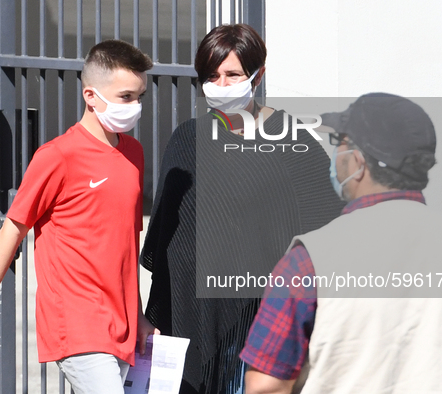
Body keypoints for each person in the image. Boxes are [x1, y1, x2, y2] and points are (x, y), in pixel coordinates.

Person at [241, 93, 442, 393]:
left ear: (358, 163)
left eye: (340, 143)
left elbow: (265, 386)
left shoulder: (309, 260)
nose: (336, 154)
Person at [140, 24, 344, 394]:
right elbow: (168, 237)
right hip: (188, 318)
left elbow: (326, 233)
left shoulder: (292, 140)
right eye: (211, 76)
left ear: (257, 75)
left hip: (260, 322)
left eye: (232, 75)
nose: (221, 85)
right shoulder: (188, 138)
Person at [0, 40, 159, 394]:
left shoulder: (134, 154)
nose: (135, 106)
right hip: (77, 324)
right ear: (91, 96)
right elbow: (11, 231)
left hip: (121, 326)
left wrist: (137, 317)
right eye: (126, 96)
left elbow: (124, 246)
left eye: (139, 96)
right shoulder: (57, 157)